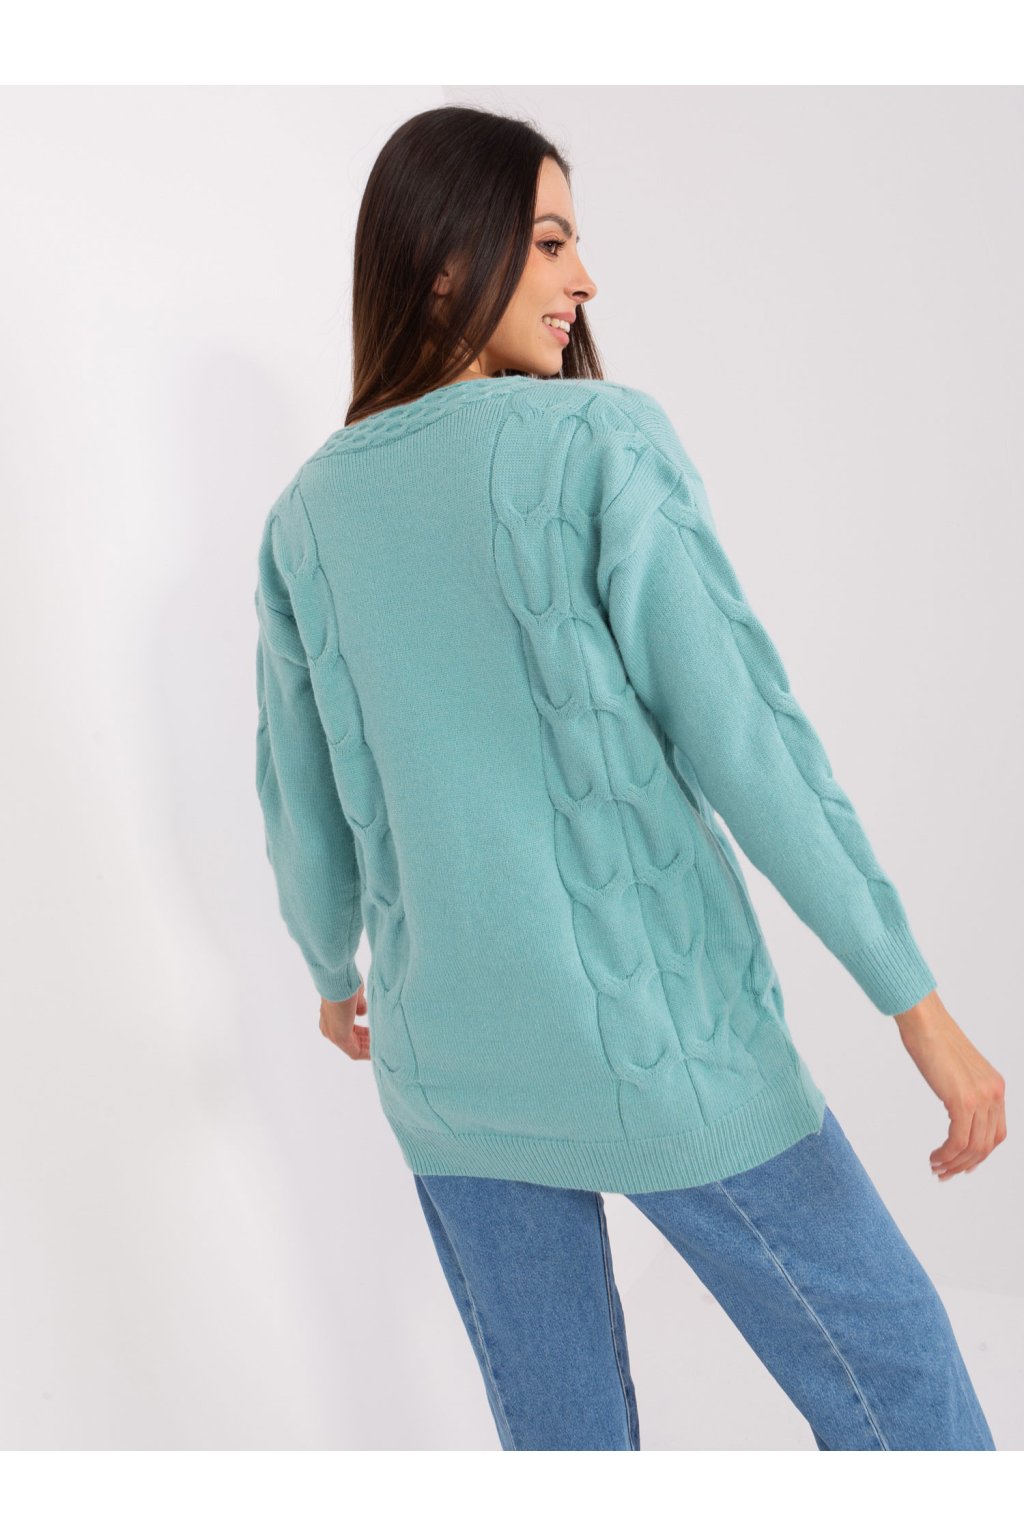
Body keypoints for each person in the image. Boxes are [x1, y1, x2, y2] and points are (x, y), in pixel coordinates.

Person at [253, 105, 1006, 1450]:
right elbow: (750, 742)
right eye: (549, 243)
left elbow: (298, 799)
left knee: (569, 1460)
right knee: (904, 1397)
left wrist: (329, 968)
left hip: (449, 1074)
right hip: (666, 1047)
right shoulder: (598, 442)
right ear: (446, 262)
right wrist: (914, 1000)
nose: (584, 279)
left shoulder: (306, 517)